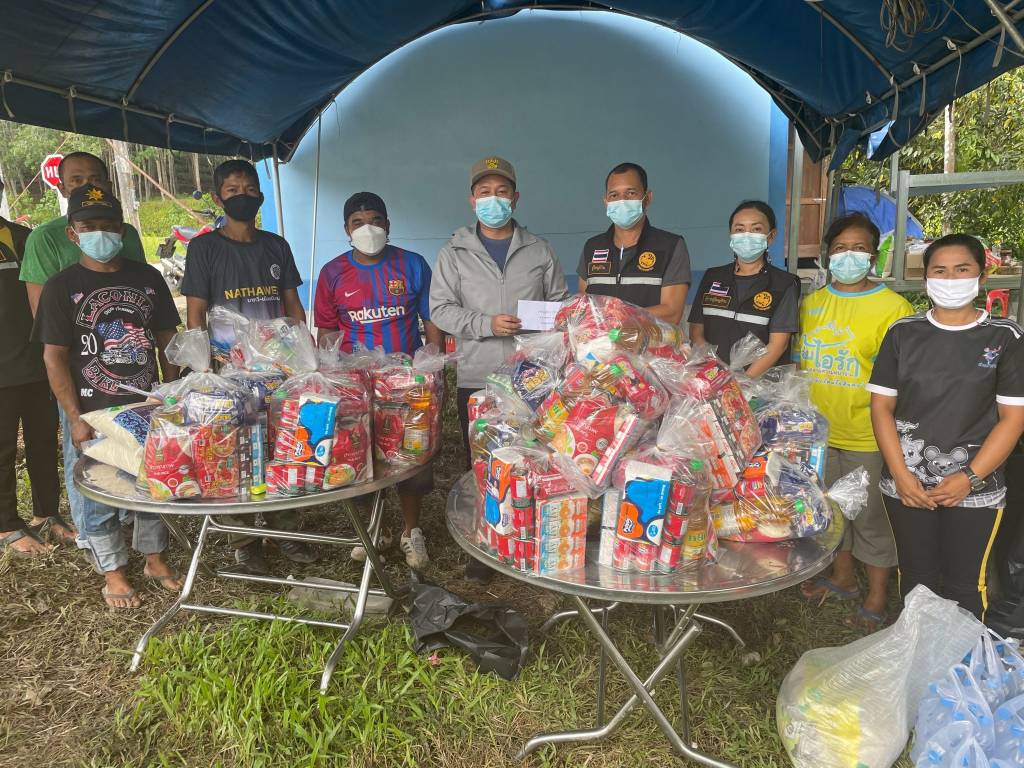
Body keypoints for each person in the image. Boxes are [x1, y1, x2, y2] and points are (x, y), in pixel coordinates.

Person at [31, 185, 183, 608]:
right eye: (89, 226)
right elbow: (53, 357)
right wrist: (74, 417)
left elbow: (167, 338)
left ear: (122, 229)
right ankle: (113, 572)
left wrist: (168, 392)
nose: (101, 233)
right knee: (97, 491)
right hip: (94, 409)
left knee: (151, 482)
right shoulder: (61, 287)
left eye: (109, 225)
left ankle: (154, 558)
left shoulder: (148, 278)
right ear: (72, 233)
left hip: (145, 405)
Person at [868, 233, 1024, 620]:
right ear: (925, 279)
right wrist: (902, 476)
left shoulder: (1005, 337)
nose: (950, 279)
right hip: (908, 484)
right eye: (939, 270)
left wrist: (969, 477)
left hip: (976, 487)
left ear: (982, 277)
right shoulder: (903, 333)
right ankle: (918, 650)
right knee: (916, 578)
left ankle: (964, 655)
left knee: (966, 584)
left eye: (962, 269)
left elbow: (1013, 419)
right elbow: (882, 408)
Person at [430, 156, 568, 581]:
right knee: (481, 460)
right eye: (485, 192)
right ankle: (484, 545)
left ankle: (529, 539)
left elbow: (561, 307)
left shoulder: (539, 250)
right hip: (479, 376)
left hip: (533, 378)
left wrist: (541, 325)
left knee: (535, 459)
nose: (494, 199)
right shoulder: (454, 252)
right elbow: (440, 309)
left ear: (516, 198)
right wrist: (485, 324)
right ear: (472, 200)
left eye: (502, 192)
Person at [180, 158, 315, 574]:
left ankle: (285, 528)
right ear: (218, 198)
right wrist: (201, 366)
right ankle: (243, 540)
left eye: (249, 189)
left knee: (281, 445)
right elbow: (195, 312)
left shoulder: (276, 246)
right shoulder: (204, 248)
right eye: (233, 190)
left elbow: (292, 305)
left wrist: (305, 355)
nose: (243, 196)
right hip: (228, 371)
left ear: (260, 195)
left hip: (277, 368)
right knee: (233, 452)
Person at [19, 151, 148, 551]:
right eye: (76, 179)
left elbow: (138, 296)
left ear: (108, 183)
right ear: (61, 186)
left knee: (134, 445)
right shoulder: (45, 238)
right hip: (80, 370)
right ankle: (94, 538)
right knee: (85, 450)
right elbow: (44, 317)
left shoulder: (126, 234)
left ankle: (132, 524)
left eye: (95, 177)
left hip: (129, 367)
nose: (87, 184)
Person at [794, 213, 914, 630]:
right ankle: (843, 577)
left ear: (874, 255)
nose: (849, 256)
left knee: (870, 517)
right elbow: (800, 366)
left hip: (868, 434)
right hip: (819, 433)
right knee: (832, 509)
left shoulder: (893, 308)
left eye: (859, 248)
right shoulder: (811, 305)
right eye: (841, 248)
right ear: (828, 254)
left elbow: (902, 379)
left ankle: (878, 593)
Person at [313, 192, 444, 568]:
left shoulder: (412, 264)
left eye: (375, 220)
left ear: (387, 224)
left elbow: (431, 319)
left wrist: (433, 367)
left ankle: (410, 531)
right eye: (358, 223)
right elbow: (327, 331)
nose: (367, 228)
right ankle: (377, 530)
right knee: (360, 454)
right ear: (346, 230)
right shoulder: (333, 273)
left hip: (407, 383)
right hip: (356, 385)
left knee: (410, 456)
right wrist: (331, 376)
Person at [0, 177, 63, 556]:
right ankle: (6, 525)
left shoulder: (26, 238)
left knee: (43, 442)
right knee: (3, 450)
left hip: (37, 361)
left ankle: (47, 513)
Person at [688, 200, 800, 375]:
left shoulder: (784, 284)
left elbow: (778, 345)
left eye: (756, 229)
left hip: (759, 385)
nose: (746, 236)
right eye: (739, 229)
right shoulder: (712, 277)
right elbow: (696, 332)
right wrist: (716, 374)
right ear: (731, 235)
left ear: (771, 236)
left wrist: (742, 383)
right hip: (712, 378)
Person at [577, 162, 690, 323]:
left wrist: (620, 317)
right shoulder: (592, 247)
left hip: (651, 341)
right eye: (614, 195)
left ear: (647, 198)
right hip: (600, 340)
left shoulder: (670, 246)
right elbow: (583, 307)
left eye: (631, 193)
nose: (622, 201)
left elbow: (672, 312)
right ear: (606, 202)